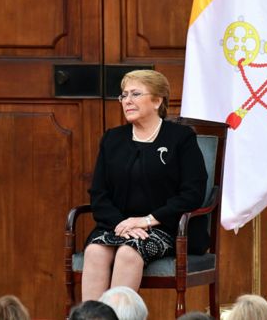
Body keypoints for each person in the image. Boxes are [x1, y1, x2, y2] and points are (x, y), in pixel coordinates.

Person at [81, 69, 209, 301]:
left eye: (135, 94)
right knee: (95, 251)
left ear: (157, 100)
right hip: (119, 225)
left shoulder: (181, 138)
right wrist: (123, 223)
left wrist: (148, 220)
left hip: (165, 227)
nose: (127, 101)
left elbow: (193, 193)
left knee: (129, 253)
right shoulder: (112, 139)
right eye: (123, 95)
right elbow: (99, 194)